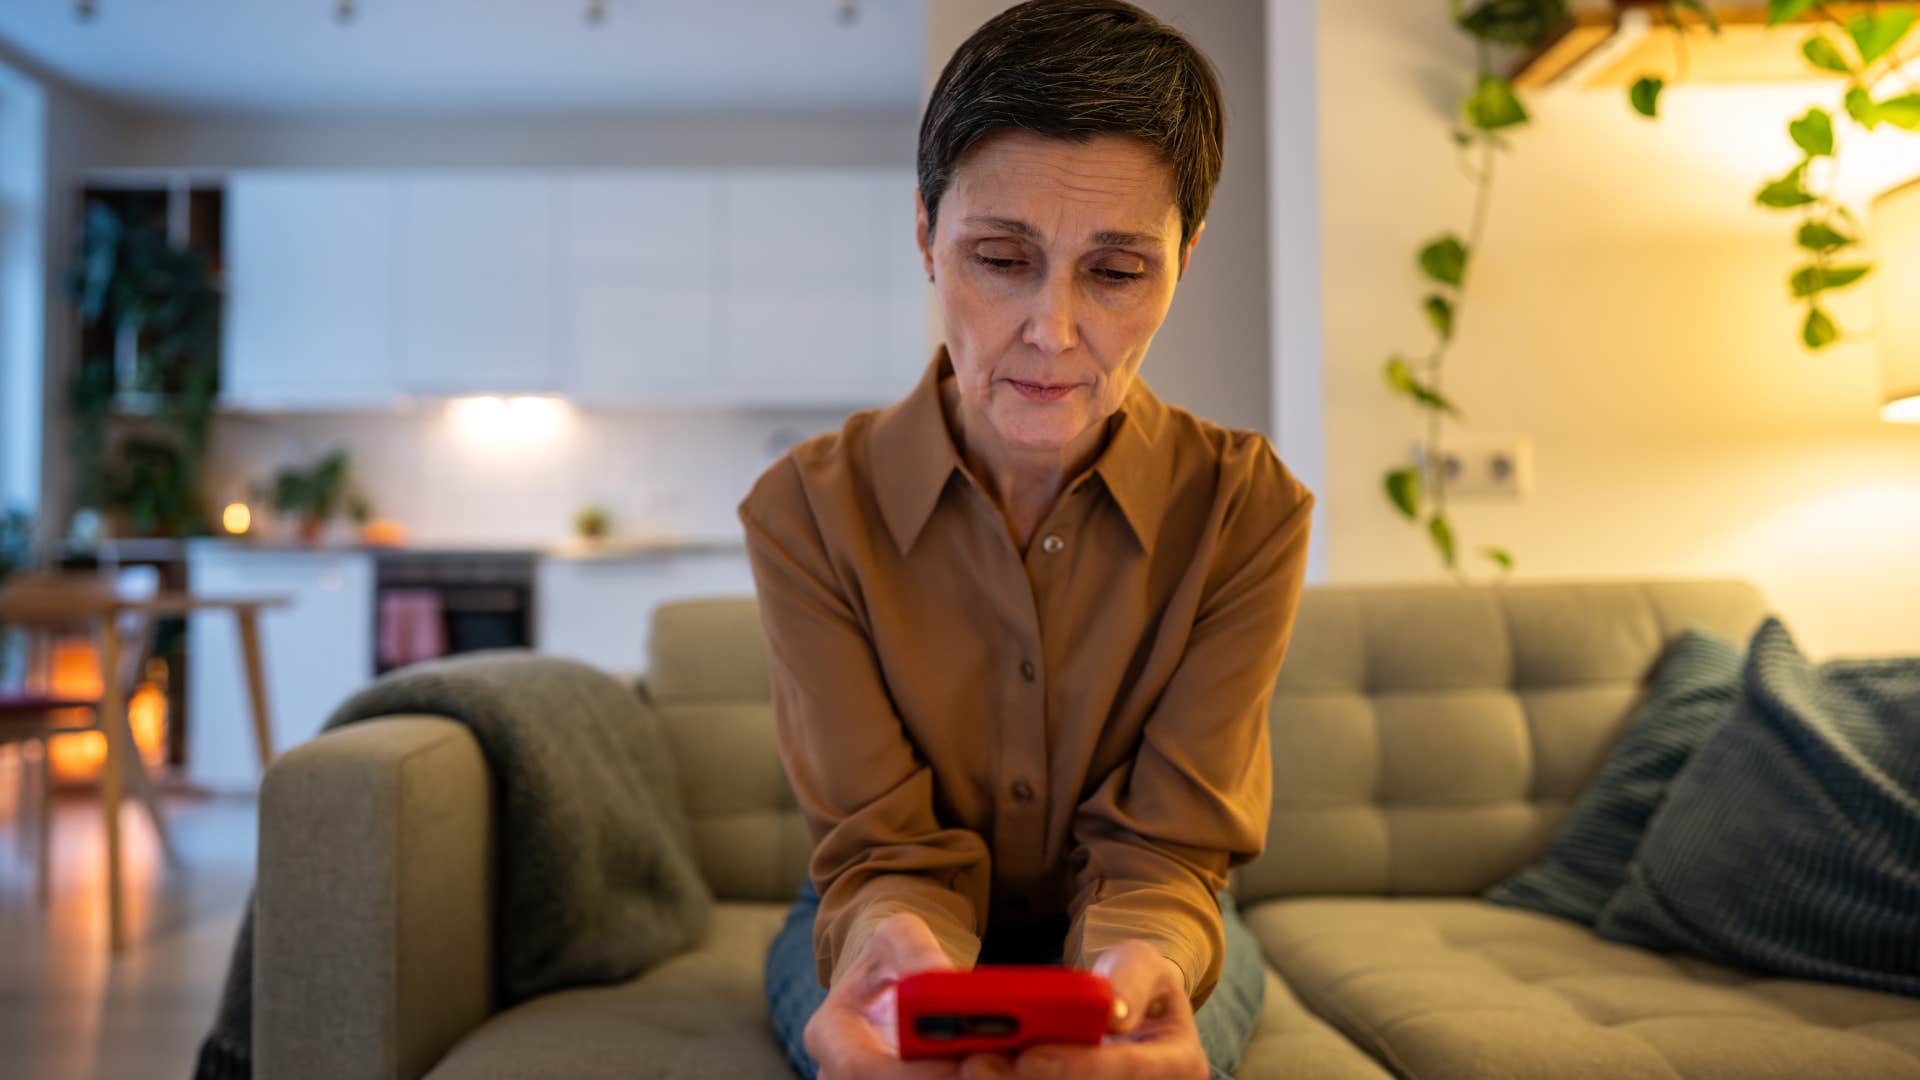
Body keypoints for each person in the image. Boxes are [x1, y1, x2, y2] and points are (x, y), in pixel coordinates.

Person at [737, 2, 1316, 1077]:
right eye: (1000, 259)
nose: (1051, 331)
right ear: (925, 235)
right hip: (879, 922)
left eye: (1115, 272)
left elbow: (1166, 851)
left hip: (1152, 931)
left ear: (1185, 258)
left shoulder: (1248, 511)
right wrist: (893, 951)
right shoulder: (806, 514)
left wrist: (1131, 970)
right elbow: (882, 854)